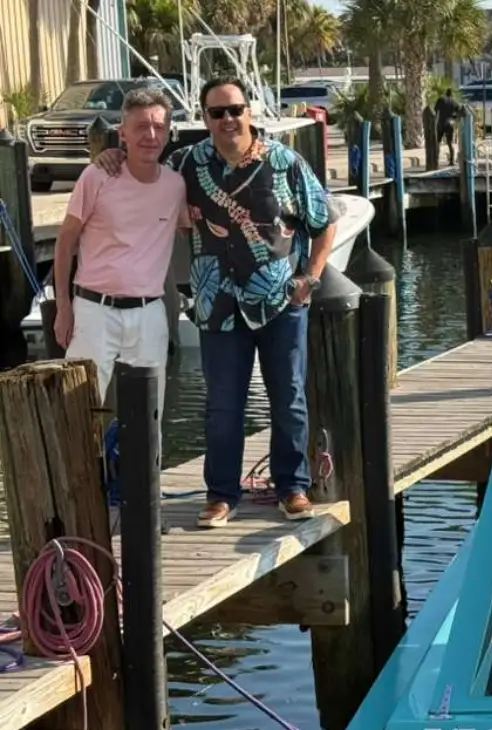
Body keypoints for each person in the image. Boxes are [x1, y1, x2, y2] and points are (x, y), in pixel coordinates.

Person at [94, 76, 338, 528]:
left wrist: (311, 277)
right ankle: (222, 495)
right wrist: (110, 155)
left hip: (280, 301)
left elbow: (324, 221)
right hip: (217, 305)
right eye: (217, 112)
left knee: (289, 399)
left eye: (235, 110)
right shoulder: (186, 163)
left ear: (249, 111)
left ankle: (293, 487)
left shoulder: (284, 162)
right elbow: (143, 167)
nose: (228, 119)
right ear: (204, 118)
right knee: (223, 407)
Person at [54, 87, 188, 426]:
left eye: (158, 127)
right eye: (141, 126)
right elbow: (65, 242)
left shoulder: (176, 186)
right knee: (78, 410)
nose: (150, 135)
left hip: (149, 315)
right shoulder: (97, 176)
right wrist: (63, 308)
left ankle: (143, 465)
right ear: (122, 133)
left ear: (168, 133)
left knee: (148, 416)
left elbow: (195, 228)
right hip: (93, 311)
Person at [434, 88, 460, 165]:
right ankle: (452, 161)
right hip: (449, 124)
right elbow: (458, 112)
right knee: (450, 143)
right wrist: (453, 117)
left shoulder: (440, 100)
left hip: (440, 123)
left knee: (438, 142)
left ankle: (436, 160)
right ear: (452, 94)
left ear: (446, 93)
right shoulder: (454, 102)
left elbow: (436, 110)